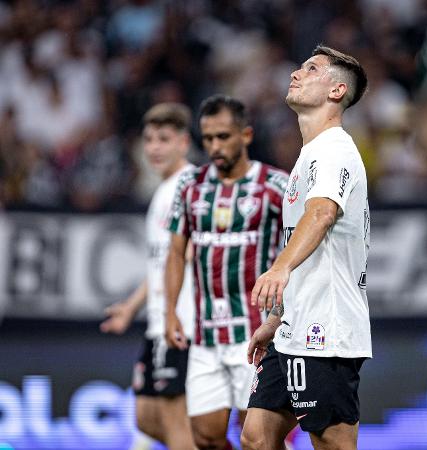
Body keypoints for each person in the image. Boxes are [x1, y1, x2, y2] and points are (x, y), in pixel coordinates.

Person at [241, 45, 371, 450]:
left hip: (325, 328)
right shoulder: (309, 154)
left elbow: (321, 215)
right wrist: (278, 316)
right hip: (294, 326)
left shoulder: (334, 150)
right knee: (257, 438)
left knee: (331, 443)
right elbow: (306, 238)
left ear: (336, 91)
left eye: (311, 69)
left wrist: (278, 269)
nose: (296, 73)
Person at [165, 94, 288, 450]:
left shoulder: (275, 186)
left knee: (260, 438)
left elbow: (301, 244)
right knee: (205, 436)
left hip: (256, 334)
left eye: (223, 136)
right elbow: (176, 251)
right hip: (205, 335)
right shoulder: (190, 188)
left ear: (246, 135)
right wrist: (170, 310)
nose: (215, 146)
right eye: (208, 138)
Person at [100, 102, 195, 450]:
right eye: (149, 139)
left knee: (176, 427)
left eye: (164, 139)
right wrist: (130, 307)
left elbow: (193, 257)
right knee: (146, 417)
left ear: (183, 142)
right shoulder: (162, 191)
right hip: (158, 324)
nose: (154, 148)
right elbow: (161, 264)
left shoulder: (190, 187)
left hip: (181, 325)